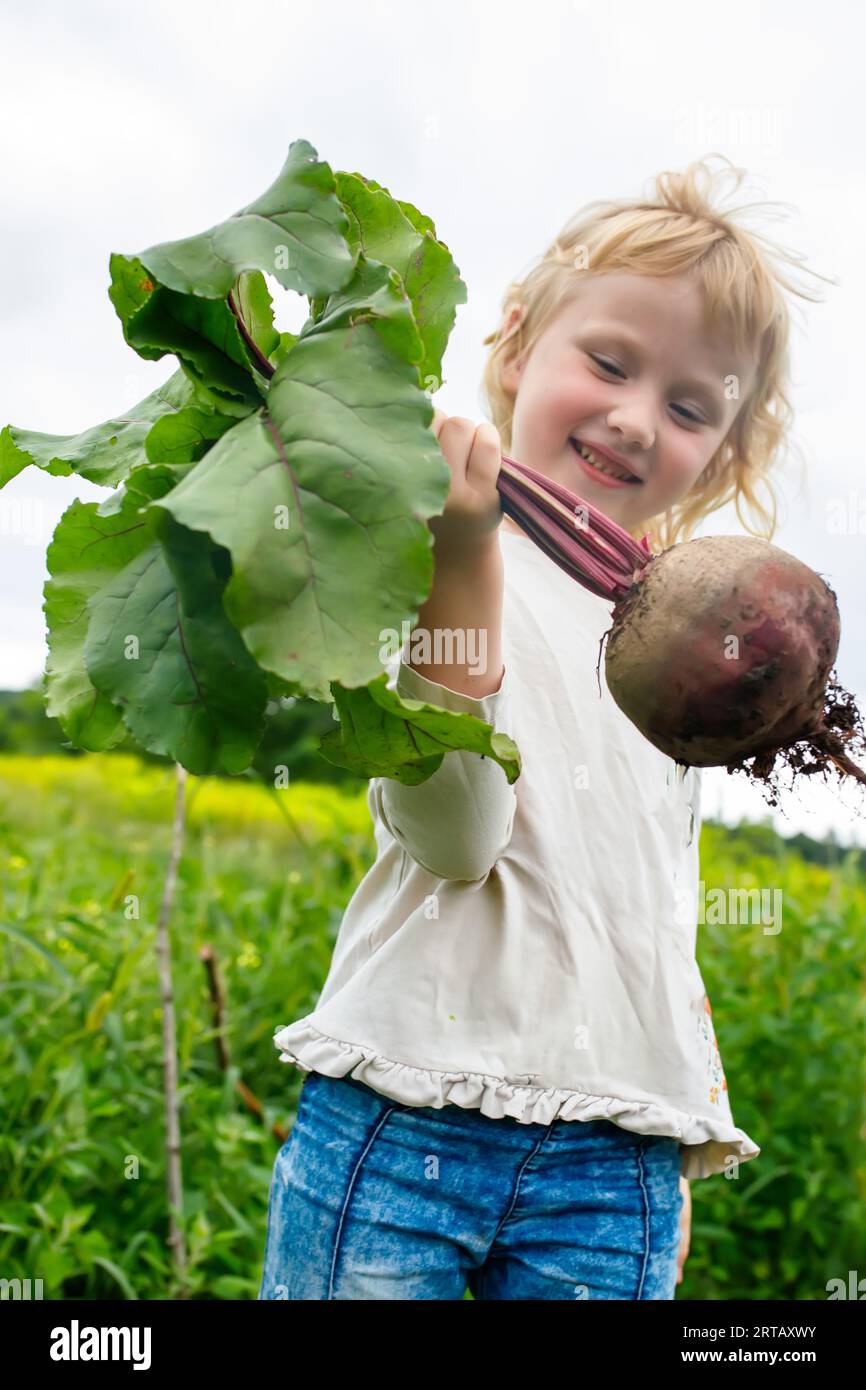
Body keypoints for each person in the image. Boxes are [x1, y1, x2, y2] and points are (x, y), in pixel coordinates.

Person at [258, 154, 833, 1301]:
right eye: (607, 364)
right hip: (407, 1110)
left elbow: (639, 906)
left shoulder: (672, 626)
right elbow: (457, 840)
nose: (630, 419)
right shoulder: (427, 557)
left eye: (685, 407)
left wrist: (663, 1126)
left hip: (612, 1154)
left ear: (722, 451)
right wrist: (462, 555)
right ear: (516, 346)